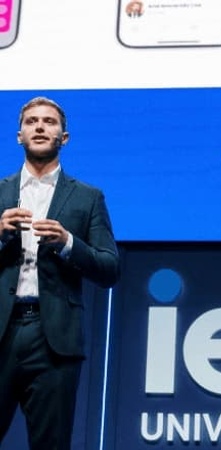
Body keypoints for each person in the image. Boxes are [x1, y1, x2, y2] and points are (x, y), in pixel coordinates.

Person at [0, 97, 120, 449]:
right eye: (32, 121)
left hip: (53, 338)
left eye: (49, 122)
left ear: (63, 137)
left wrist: (68, 242)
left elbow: (109, 269)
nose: (40, 126)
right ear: (19, 135)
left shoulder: (87, 198)